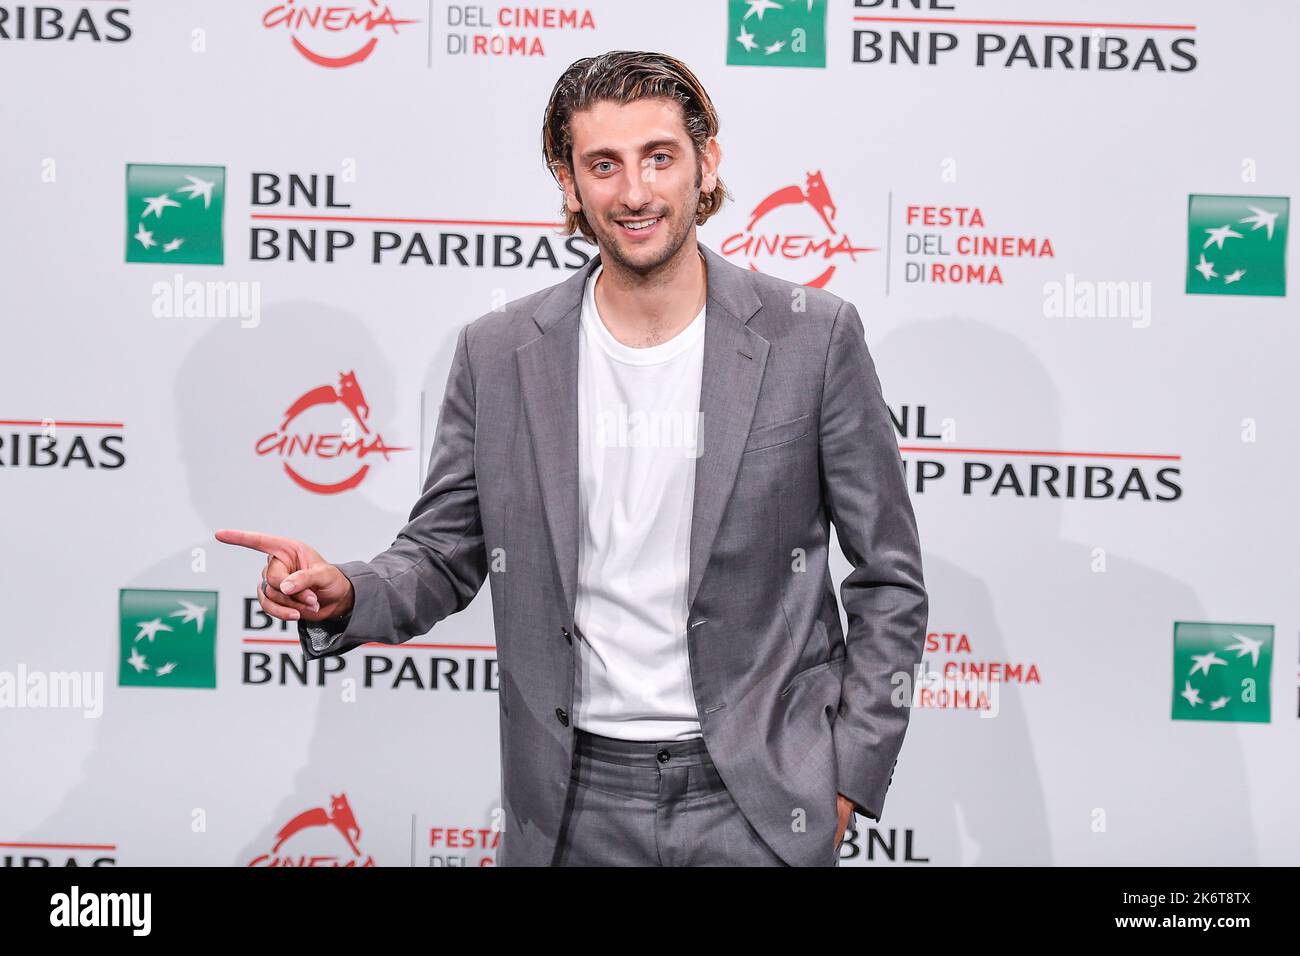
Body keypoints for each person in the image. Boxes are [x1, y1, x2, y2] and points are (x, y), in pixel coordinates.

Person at [217, 50, 927, 867]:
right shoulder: (500, 351)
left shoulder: (812, 336)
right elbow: (443, 553)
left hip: (762, 799)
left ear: (707, 164)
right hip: (569, 804)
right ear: (568, 181)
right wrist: (346, 592)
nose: (634, 193)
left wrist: (842, 782)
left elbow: (889, 578)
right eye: (603, 164)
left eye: (659, 157)